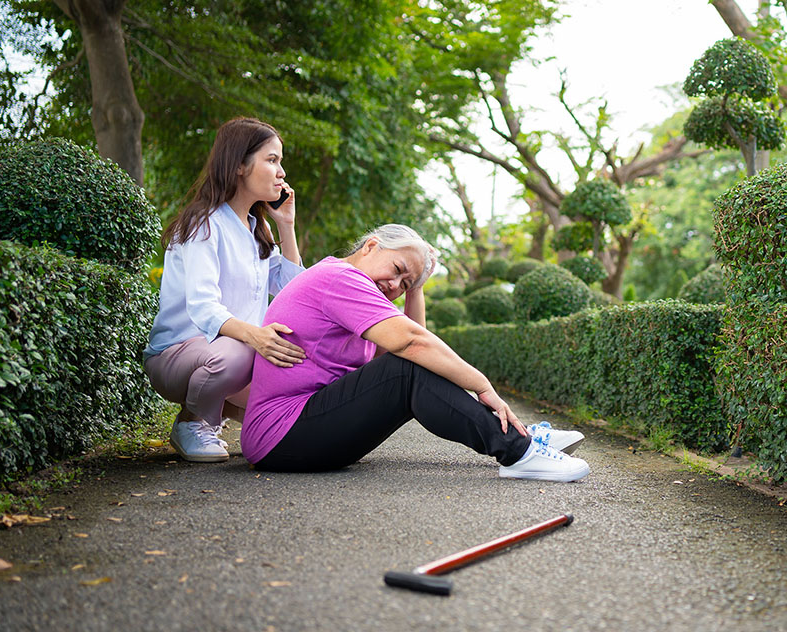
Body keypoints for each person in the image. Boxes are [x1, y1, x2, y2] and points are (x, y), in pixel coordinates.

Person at [241, 224, 589, 482]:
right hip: (280, 435)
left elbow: (414, 344)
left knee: (409, 364)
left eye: (404, 284)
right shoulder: (341, 278)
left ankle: (519, 434)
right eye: (396, 271)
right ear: (371, 246)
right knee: (406, 367)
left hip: (303, 431)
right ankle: (518, 450)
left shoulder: (355, 291)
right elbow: (411, 345)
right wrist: (483, 386)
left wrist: (415, 289)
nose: (395, 286)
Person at [144, 117, 307, 463]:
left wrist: (287, 226)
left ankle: (220, 408)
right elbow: (204, 308)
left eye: (281, 162)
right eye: (272, 159)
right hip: (177, 356)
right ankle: (193, 421)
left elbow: (293, 290)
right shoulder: (203, 224)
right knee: (243, 351)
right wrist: (257, 337)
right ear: (238, 166)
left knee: (285, 419)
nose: (281, 172)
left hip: (234, 356)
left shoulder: (254, 229)